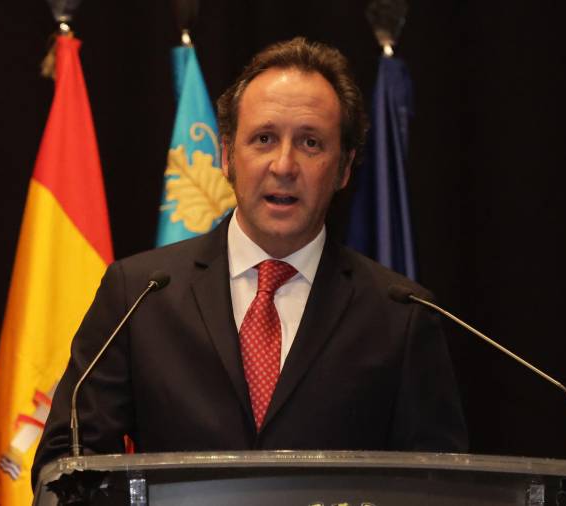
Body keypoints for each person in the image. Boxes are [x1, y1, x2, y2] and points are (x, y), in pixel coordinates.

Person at [32, 37, 467, 486]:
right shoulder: (140, 294)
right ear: (226, 155)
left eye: (311, 143)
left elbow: (439, 486)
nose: (284, 165)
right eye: (264, 139)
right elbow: (68, 460)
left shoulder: (401, 316)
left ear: (344, 168)